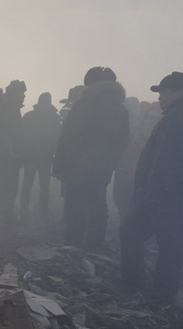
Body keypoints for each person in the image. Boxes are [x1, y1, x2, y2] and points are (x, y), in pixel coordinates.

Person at [120, 72, 183, 305]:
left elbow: (166, 162)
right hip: (173, 197)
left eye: (164, 93)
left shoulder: (181, 117)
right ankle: (159, 291)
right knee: (168, 244)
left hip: (164, 197)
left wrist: (148, 195)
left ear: (179, 92)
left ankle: (142, 288)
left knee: (138, 236)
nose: (160, 98)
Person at [52, 67, 129, 251]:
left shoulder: (83, 106)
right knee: (98, 204)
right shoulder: (121, 110)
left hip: (76, 166)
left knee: (74, 204)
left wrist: (60, 165)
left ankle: (73, 243)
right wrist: (112, 164)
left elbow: (68, 136)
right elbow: (122, 141)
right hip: (103, 168)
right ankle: (95, 244)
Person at [113, 100, 162, 220]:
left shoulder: (164, 136)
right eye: (149, 116)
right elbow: (123, 154)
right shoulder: (134, 132)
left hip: (146, 181)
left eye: (155, 117)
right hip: (127, 178)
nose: (151, 121)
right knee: (124, 204)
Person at [0, 80, 28, 233]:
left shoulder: (10, 107)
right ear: (14, 93)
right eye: (22, 93)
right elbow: (3, 131)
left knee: (8, 187)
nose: (24, 97)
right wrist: (10, 149)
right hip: (6, 155)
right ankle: (0, 218)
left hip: (9, 154)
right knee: (5, 187)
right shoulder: (7, 108)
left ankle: (5, 216)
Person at [21, 92, 62, 224]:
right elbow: (57, 138)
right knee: (44, 187)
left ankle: (24, 215)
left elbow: (21, 136)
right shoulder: (55, 118)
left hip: (32, 156)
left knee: (27, 186)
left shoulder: (29, 116)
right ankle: (42, 216)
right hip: (45, 157)